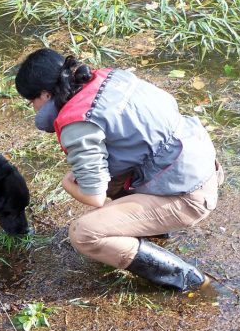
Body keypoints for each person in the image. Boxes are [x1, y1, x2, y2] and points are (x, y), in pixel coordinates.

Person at [15, 48, 224, 292]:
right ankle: (154, 230)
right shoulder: (112, 79)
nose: (33, 108)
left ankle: (187, 278)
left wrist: (68, 184)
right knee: (110, 173)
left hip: (190, 196)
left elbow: (95, 196)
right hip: (199, 164)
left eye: (32, 102)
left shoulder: (78, 122)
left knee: (84, 233)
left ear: (45, 94)